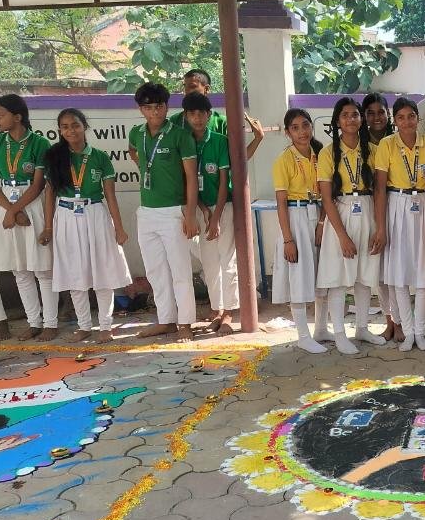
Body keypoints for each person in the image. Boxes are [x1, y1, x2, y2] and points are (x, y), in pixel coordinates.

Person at [40, 108, 130, 341]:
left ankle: (106, 326)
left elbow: (110, 195)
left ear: (85, 127)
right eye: (65, 127)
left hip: (95, 213)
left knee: (103, 270)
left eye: (75, 125)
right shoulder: (55, 157)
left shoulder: (100, 157)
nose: (71, 130)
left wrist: (119, 228)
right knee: (74, 273)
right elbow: (49, 194)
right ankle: (84, 326)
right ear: (60, 131)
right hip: (66, 215)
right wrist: (48, 227)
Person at [182, 92, 264, 336]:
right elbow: (188, 181)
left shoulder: (219, 141)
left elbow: (223, 182)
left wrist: (215, 216)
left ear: (209, 115)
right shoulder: (184, 142)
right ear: (186, 116)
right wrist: (202, 210)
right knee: (209, 263)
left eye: (201, 113)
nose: (197, 118)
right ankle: (217, 310)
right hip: (199, 208)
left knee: (228, 261)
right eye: (192, 114)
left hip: (223, 207)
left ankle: (229, 313)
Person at [127, 81, 199, 340]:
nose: (154, 112)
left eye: (159, 106)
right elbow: (132, 151)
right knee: (155, 271)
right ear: (141, 109)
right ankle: (166, 320)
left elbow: (191, 178)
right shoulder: (136, 133)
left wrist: (190, 214)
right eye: (148, 107)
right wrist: (146, 166)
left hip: (173, 211)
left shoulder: (180, 135)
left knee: (180, 271)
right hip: (146, 212)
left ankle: (186, 323)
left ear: (167, 107)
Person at [317, 97, 385, 354]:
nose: (350, 119)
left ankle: (362, 328)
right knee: (338, 278)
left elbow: (379, 191)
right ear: (337, 121)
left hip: (367, 210)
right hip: (341, 213)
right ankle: (339, 334)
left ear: (361, 118)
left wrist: (379, 227)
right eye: (345, 115)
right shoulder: (327, 153)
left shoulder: (374, 150)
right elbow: (326, 198)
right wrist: (342, 236)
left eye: (355, 114)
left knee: (365, 276)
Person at [373, 96, 425, 352]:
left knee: (424, 273)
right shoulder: (387, 144)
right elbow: (379, 188)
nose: (407, 122)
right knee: (399, 274)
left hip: (423, 204)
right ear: (394, 121)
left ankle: (420, 331)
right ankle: (407, 331)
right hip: (396, 205)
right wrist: (381, 227)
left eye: (411, 116)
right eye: (401, 117)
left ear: (418, 118)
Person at [0, 95, 57, 340]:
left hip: (32, 205)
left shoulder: (39, 143)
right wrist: (10, 211)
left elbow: (39, 185)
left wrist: (16, 211)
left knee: (42, 268)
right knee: (19, 269)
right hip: (5, 205)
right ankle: (34, 322)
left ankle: (50, 323)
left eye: (1, 115)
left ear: (17, 117)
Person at [273, 107, 326, 354]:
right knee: (299, 277)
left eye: (305, 125)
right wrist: (288, 239)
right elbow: (281, 203)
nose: (302, 132)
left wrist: (322, 223)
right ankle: (303, 335)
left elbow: (327, 194)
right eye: (295, 128)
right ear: (287, 133)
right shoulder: (284, 160)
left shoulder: (320, 154)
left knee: (323, 274)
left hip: (317, 214)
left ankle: (321, 329)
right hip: (295, 217)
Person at [362, 92, 401, 342]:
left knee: (396, 270)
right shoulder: (359, 144)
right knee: (380, 273)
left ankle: (402, 322)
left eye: (381, 112)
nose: (377, 117)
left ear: (389, 115)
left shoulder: (398, 141)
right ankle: (389, 322)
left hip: (396, 207)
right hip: (370, 210)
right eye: (370, 113)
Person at [169, 68, 227, 135]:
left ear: (206, 89)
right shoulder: (175, 121)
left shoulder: (221, 123)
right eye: (185, 87)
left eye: (192, 86)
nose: (186, 92)